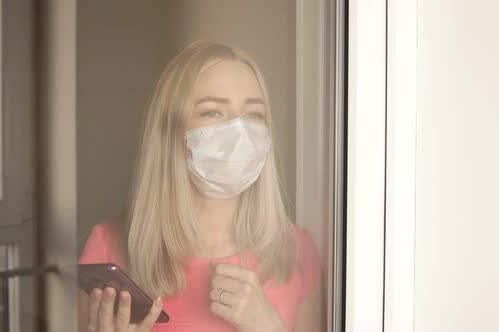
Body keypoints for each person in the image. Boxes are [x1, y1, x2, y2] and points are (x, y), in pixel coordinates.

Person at [78, 41, 322, 332]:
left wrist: (269, 327)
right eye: (213, 112)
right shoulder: (108, 248)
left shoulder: (298, 252)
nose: (240, 131)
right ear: (171, 131)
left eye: (254, 114)